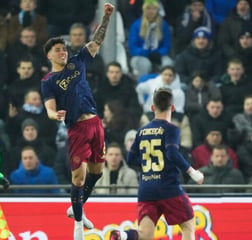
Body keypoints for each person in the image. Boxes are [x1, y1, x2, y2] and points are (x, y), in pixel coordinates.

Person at [41, 3, 114, 239]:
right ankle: (78, 226)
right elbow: (49, 108)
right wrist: (54, 115)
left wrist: (106, 17)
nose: (63, 52)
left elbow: (98, 41)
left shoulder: (78, 61)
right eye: (58, 50)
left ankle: (75, 209)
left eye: (64, 48)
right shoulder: (49, 81)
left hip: (95, 123)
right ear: (49, 55)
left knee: (97, 173)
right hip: (76, 128)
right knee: (78, 178)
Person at [110, 88, 204, 240]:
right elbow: (172, 153)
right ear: (172, 108)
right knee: (188, 224)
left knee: (145, 235)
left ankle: (123, 236)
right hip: (168, 187)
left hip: (146, 188)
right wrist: (193, 172)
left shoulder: (141, 131)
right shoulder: (171, 129)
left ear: (152, 108)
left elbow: (130, 159)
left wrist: (149, 165)